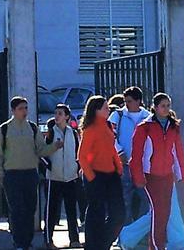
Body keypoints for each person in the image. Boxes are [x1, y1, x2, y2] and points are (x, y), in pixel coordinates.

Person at [0, 96, 57, 250]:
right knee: (17, 210)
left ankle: (27, 242)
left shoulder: (33, 128)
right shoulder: (4, 129)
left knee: (30, 209)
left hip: (30, 174)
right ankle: (19, 242)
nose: (24, 111)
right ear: (13, 110)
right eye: (21, 108)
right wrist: (0, 175)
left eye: (26, 108)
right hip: (12, 175)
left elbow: (40, 150)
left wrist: (55, 146)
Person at [80, 95, 126, 250]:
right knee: (96, 214)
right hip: (95, 175)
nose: (109, 110)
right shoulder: (90, 129)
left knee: (119, 214)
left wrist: (118, 167)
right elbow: (82, 156)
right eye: (105, 108)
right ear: (96, 110)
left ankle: (102, 244)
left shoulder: (107, 126)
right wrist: (91, 177)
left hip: (111, 174)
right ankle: (93, 246)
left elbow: (111, 148)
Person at [110, 87, 153, 224]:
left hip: (142, 165)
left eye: (129, 101)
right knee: (125, 200)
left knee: (146, 199)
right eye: (125, 101)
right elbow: (111, 136)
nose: (126, 104)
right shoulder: (118, 115)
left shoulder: (148, 117)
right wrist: (119, 151)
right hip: (124, 164)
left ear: (138, 101)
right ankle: (125, 231)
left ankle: (139, 230)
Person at [44, 104, 82, 248]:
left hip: (70, 177)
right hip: (54, 178)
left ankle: (74, 239)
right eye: (56, 113)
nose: (57, 116)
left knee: (71, 210)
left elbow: (78, 151)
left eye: (60, 113)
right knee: (51, 211)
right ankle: (48, 240)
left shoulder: (73, 133)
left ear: (67, 116)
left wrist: (77, 167)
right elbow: (42, 152)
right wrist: (48, 166)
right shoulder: (51, 132)